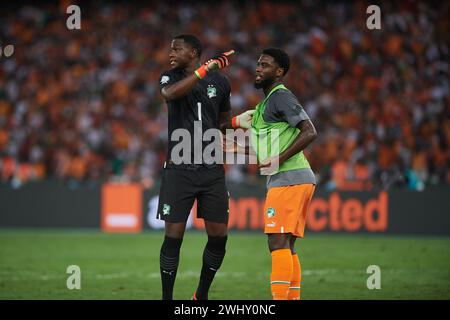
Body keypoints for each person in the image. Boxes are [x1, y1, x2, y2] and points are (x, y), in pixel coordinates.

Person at [228, 48, 317, 300]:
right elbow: (267, 150)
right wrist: (238, 148)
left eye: (265, 65)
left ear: (279, 72)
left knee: (276, 244)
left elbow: (310, 131)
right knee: (286, 246)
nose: (258, 68)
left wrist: (279, 159)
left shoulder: (281, 97)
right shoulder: (265, 104)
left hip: (290, 179)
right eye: (258, 64)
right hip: (294, 178)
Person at [156, 34, 235, 300]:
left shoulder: (221, 82)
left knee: (219, 235)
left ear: (193, 52)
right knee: (174, 235)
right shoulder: (170, 77)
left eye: (177, 49)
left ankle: (201, 294)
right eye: (171, 49)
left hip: (211, 169)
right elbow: (169, 95)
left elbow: (222, 121)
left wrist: (238, 124)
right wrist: (204, 70)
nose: (171, 53)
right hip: (179, 167)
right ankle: (168, 298)